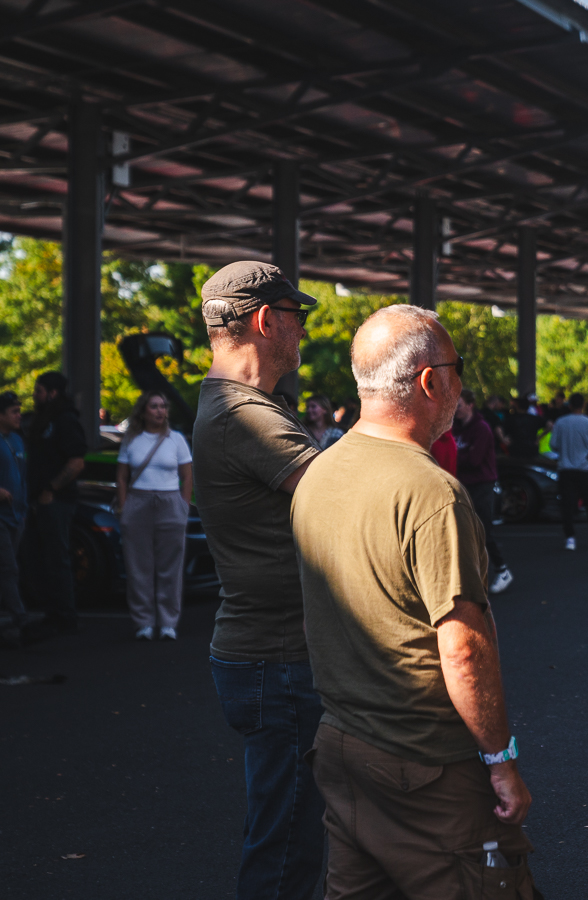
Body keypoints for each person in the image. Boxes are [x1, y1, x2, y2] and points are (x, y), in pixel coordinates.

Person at [294, 306, 537, 898]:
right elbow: (463, 650)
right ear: (430, 381)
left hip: (343, 745)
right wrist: (501, 760)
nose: (460, 385)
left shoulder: (319, 474)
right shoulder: (432, 494)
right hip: (425, 763)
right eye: (457, 368)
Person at [192, 261, 325, 900]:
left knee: (288, 833)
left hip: (266, 655)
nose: (303, 331)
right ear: (267, 320)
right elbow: (348, 500)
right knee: (286, 850)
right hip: (279, 658)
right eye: (297, 316)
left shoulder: (241, 407)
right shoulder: (245, 416)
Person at [115, 392, 193, 641]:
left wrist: (183, 506)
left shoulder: (176, 439)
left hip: (169, 502)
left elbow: (187, 476)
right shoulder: (132, 439)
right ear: (143, 411)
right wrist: (124, 508)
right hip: (138, 502)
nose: (160, 411)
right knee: (139, 567)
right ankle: (144, 622)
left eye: (163, 406)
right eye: (154, 406)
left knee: (171, 567)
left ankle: (168, 622)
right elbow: (121, 477)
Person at [26, 371, 87, 634]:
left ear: (52, 393)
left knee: (57, 556)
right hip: (40, 499)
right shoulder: (43, 420)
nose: (34, 396)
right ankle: (53, 611)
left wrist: (51, 489)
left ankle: (65, 615)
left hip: (57, 500)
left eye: (39, 391)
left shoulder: (65, 420)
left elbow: (77, 462)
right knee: (41, 557)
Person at [454, 389, 512, 594]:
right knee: (463, 532)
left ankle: (502, 569)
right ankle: (473, 576)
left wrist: (453, 457)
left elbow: (474, 460)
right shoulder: (456, 428)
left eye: (459, 405)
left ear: (470, 405)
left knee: (482, 530)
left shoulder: (481, 429)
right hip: (463, 484)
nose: (456, 409)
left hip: (481, 484)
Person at [551, 392, 588, 551]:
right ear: (583, 405)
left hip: (565, 469)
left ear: (569, 405)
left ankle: (570, 538)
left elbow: (553, 444)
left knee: (567, 505)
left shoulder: (560, 422)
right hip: (584, 468)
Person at [0, 391, 27, 635]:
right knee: (8, 568)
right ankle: (21, 619)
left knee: (8, 567)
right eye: (14, 412)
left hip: (17, 514)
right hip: (2, 515)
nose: (19, 415)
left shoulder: (17, 440)